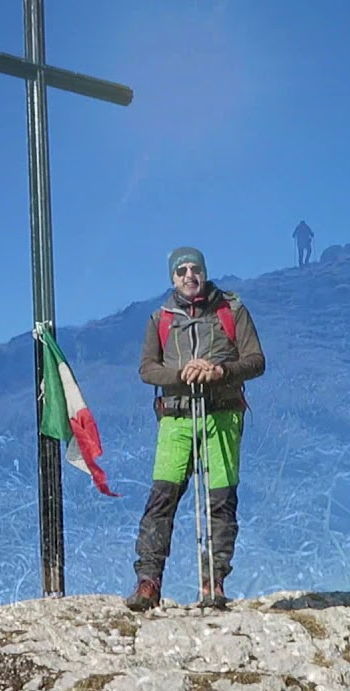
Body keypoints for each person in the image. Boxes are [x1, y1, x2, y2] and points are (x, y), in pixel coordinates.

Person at [125, 246, 267, 611]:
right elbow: (146, 369)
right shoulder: (159, 319)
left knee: (220, 500)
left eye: (195, 269)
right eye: (181, 270)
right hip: (176, 418)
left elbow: (255, 361)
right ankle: (148, 582)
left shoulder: (232, 310)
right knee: (162, 499)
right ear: (173, 278)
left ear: (204, 272)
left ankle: (214, 582)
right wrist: (181, 375)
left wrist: (220, 372)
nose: (189, 275)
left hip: (222, 415)